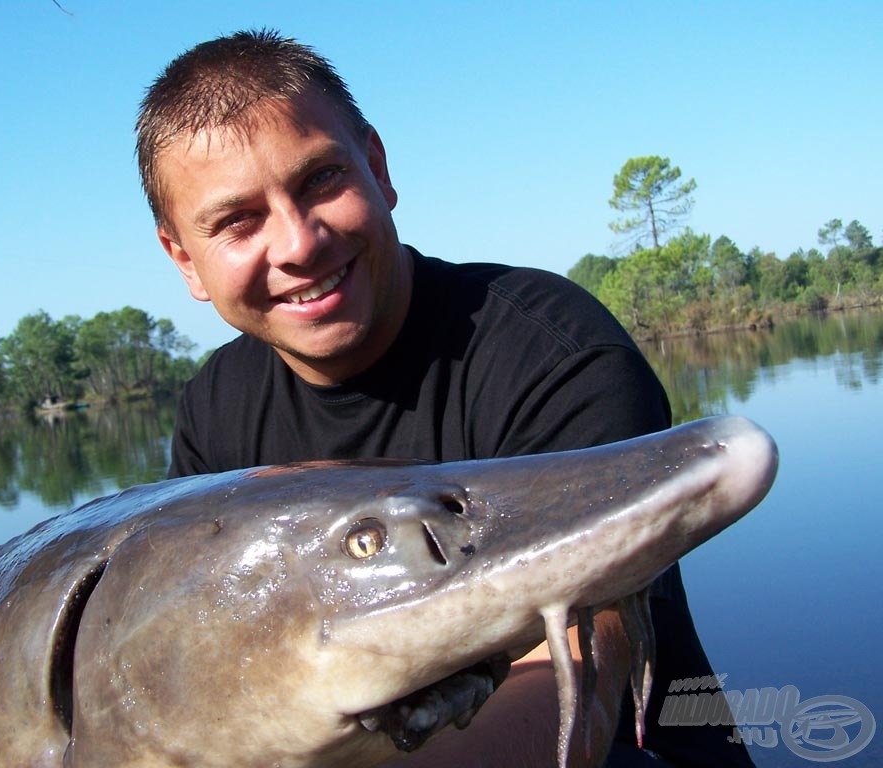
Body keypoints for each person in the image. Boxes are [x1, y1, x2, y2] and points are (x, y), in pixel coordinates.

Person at [136, 29, 752, 767]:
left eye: (321, 180)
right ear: (185, 259)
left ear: (378, 169)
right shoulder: (214, 409)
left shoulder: (552, 352)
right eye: (238, 221)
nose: (299, 243)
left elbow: (583, 672)